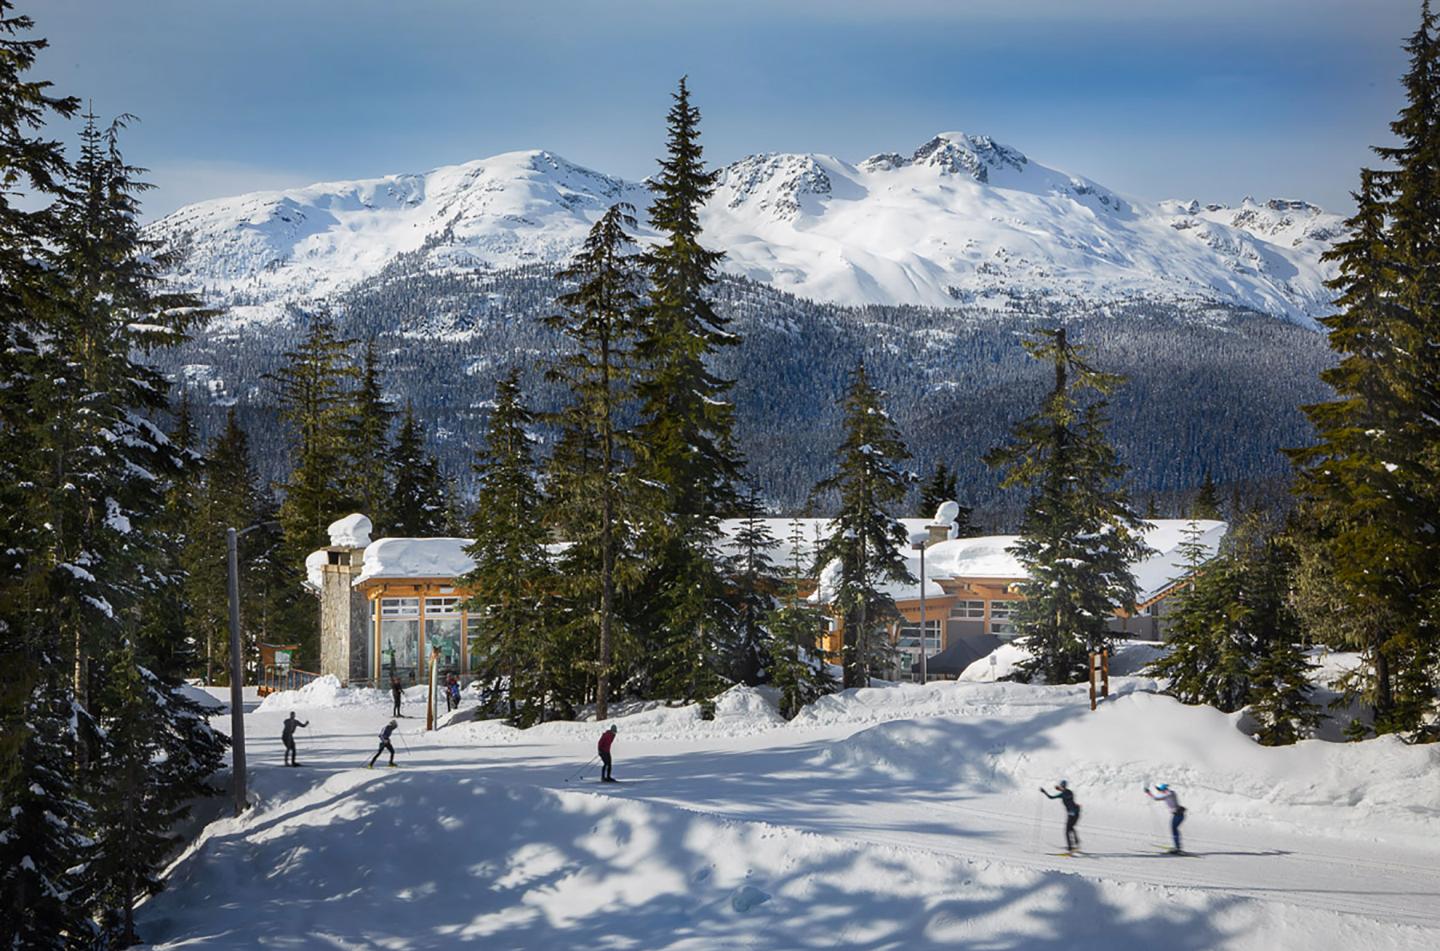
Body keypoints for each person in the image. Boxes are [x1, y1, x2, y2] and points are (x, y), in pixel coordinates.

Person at [1040, 779, 1081, 852]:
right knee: (1071, 827)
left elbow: (1051, 797)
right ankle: (1076, 842)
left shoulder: (1062, 794)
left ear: (1062, 786)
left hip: (1071, 814)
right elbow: (1066, 793)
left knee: (1067, 831)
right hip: (1077, 813)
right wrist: (1060, 789)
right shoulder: (1070, 792)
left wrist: (1044, 792)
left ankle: (1070, 848)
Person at [1145, 782, 1186, 853]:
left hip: (1178, 815)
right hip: (1178, 814)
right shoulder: (1170, 793)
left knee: (1174, 829)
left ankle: (1177, 848)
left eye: (1159, 789)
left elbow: (1156, 798)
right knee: (1174, 829)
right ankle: (1177, 846)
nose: (1159, 791)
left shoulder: (1168, 794)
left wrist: (1149, 792)